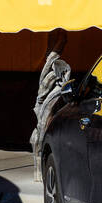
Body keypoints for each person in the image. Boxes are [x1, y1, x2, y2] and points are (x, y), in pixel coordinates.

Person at [30, 29, 72, 182]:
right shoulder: (53, 68)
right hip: (44, 107)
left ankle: (40, 171)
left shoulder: (59, 67)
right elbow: (42, 94)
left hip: (48, 105)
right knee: (39, 136)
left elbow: (44, 93)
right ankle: (39, 171)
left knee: (42, 134)